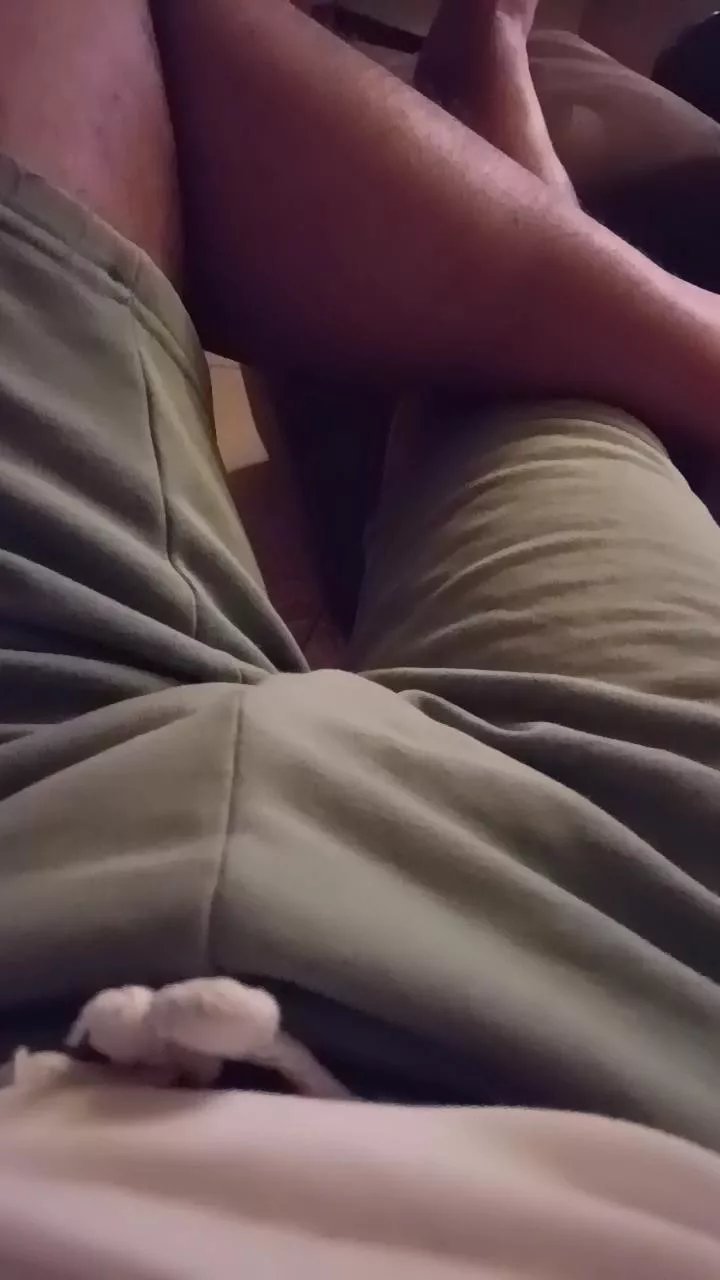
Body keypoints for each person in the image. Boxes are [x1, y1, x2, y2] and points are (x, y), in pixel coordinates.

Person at [3, 1, 720, 1271]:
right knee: (556, 416)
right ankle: (514, 153)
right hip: (656, 984)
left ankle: (515, 178)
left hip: (30, 858)